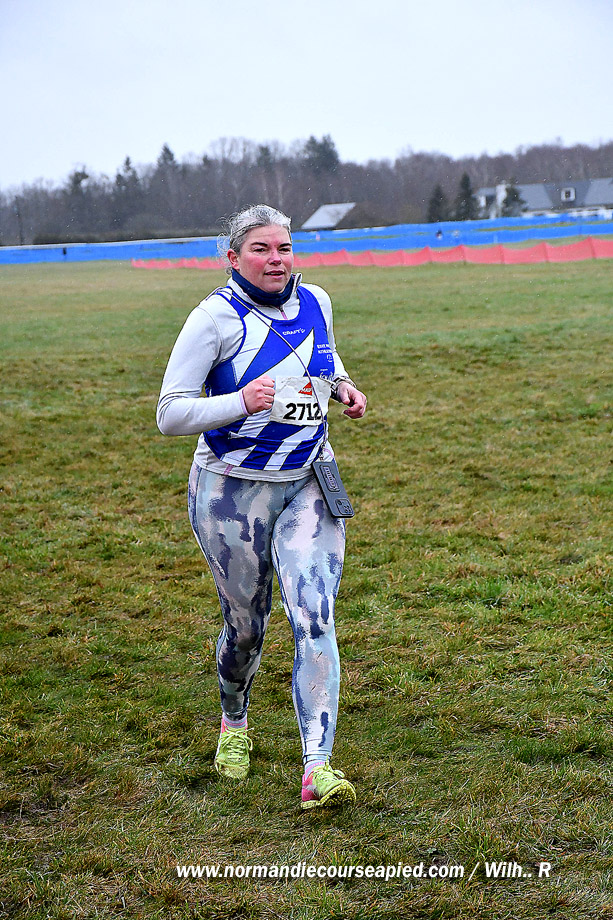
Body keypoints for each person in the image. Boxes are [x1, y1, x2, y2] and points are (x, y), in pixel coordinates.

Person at [156, 204, 367, 810]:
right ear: (233, 257)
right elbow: (170, 413)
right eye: (261, 249)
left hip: (308, 481)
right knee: (247, 627)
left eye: (284, 248)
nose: (277, 260)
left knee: (315, 616)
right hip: (231, 490)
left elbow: (323, 360)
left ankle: (317, 767)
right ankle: (234, 720)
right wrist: (240, 402)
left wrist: (343, 387)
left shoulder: (317, 300)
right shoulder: (212, 319)